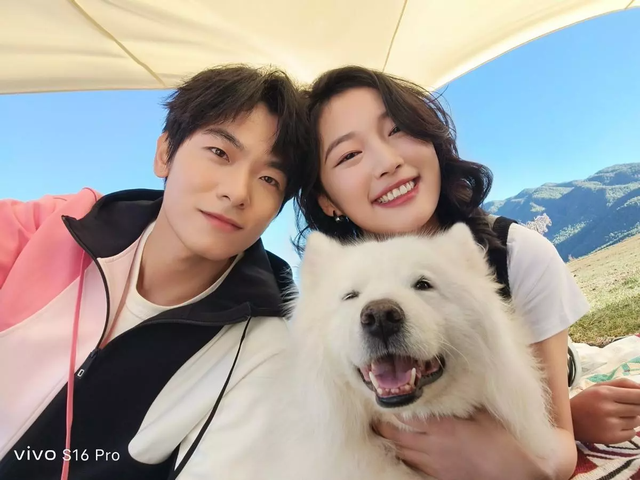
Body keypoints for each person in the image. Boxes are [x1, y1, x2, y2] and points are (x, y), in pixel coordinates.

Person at [293, 65, 606, 479]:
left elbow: (552, 438)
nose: (387, 162)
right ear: (326, 199)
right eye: (349, 155)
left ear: (431, 140)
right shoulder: (329, 283)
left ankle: (572, 374)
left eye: (397, 130)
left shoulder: (516, 253)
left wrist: (502, 459)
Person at [0, 65, 308, 480]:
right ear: (165, 154)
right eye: (220, 153)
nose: (237, 192)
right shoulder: (57, 225)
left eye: (269, 178)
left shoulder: (258, 350)